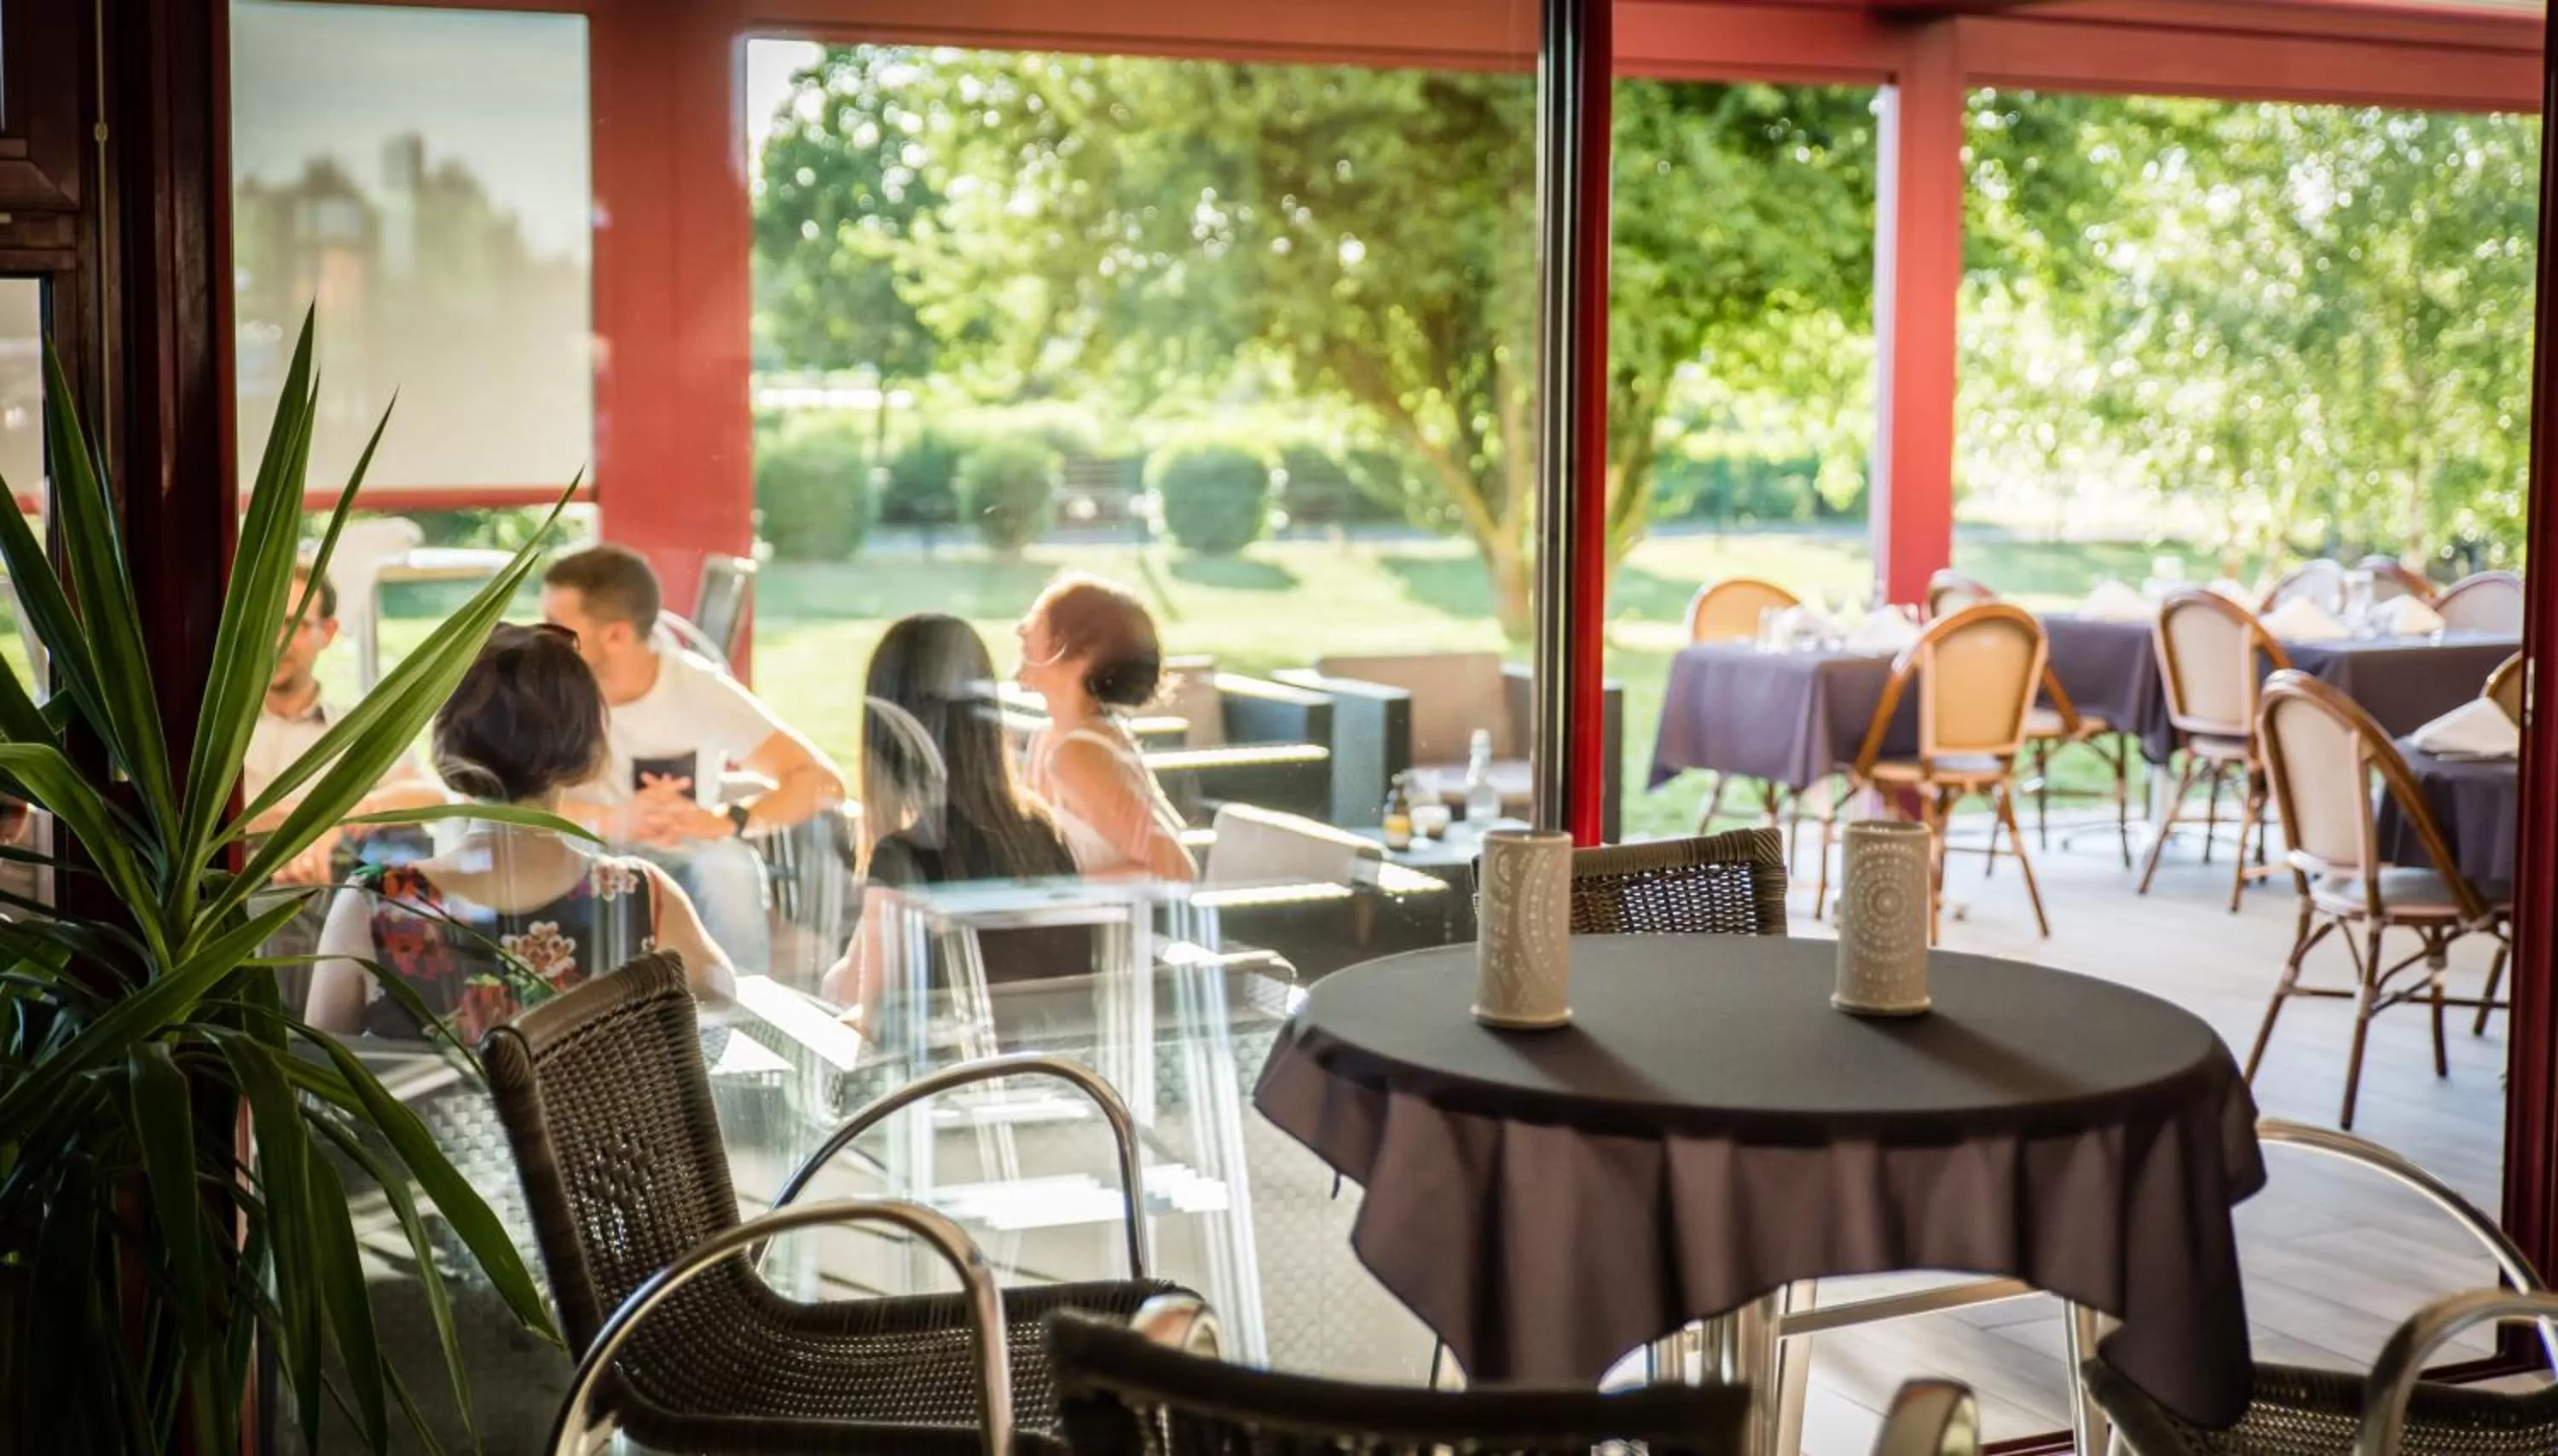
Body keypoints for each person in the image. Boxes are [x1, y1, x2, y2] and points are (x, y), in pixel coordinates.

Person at [307, 623, 734, 1043]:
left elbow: (317, 1072)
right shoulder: (641, 896)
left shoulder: (375, 903)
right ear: (590, 753)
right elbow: (721, 1008)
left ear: (449, 750)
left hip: (427, 1117)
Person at [539, 544, 846, 973]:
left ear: (616, 636)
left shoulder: (697, 689)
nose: (540, 635)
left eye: (555, 624)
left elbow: (821, 781)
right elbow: (503, 805)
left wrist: (728, 820)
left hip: (687, 855)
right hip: (582, 853)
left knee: (730, 868)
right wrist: (616, 820)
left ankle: (741, 1006)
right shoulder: (545, 692)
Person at [821, 615, 1080, 1010]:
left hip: (959, 1070)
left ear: (885, 730)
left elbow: (865, 1008)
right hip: (1058, 1065)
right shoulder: (1040, 830)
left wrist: (834, 981)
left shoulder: (907, 857)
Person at [247, 561, 446, 885]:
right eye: (262, 624)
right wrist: (307, 825)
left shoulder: (358, 727)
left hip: (338, 894)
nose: (274, 640)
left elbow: (429, 795)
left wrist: (349, 815)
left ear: (326, 633)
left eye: (290, 623)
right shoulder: (212, 737)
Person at [1016, 574, 1196, 881]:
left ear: (1081, 654)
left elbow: (1177, 871)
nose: (1020, 628)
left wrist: (1060, 892)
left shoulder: (1080, 754)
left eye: (1037, 620)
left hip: (1119, 929)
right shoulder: (1050, 739)